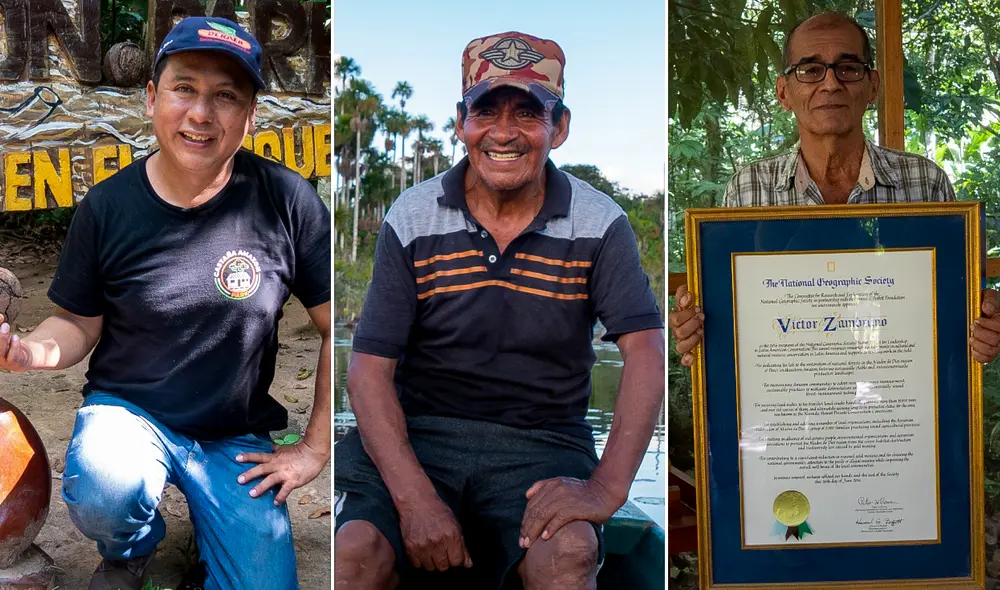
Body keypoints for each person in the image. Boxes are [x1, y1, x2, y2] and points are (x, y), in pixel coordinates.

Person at [0, 16, 331, 590]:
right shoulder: (108, 207)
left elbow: (343, 327)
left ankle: (214, 528)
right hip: (131, 415)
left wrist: (313, 450)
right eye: (184, 88)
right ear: (153, 97)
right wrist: (28, 352)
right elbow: (79, 323)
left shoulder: (287, 201)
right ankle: (131, 548)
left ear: (251, 115)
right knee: (105, 487)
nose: (201, 113)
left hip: (233, 437)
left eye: (225, 96)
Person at [333, 31, 665, 590]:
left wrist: (606, 489)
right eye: (485, 111)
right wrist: (415, 499)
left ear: (559, 127)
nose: (504, 132)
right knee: (354, 556)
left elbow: (647, 352)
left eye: (528, 114)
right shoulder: (412, 216)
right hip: (417, 433)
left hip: (542, 444)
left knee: (569, 553)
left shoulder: (600, 223)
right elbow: (368, 370)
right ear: (461, 122)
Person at [670, 11, 1000, 366]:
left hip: (893, 383)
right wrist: (701, 325)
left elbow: (954, 313)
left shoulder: (925, 182)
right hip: (791, 387)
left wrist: (982, 327)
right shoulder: (747, 189)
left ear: (873, 86)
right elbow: (738, 316)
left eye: (848, 68)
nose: (830, 84)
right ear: (784, 92)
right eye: (810, 69)